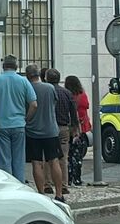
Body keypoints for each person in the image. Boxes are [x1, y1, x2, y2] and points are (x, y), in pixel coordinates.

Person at [0, 55, 37, 181]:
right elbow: (34, 104)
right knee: (19, 159)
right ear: (16, 66)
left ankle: (7, 184)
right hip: (18, 124)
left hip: (1, 125)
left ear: (3, 66)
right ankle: (19, 183)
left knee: (3, 159)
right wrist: (26, 118)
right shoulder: (23, 81)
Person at [26, 64, 65, 202]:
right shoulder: (49, 88)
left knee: (36, 162)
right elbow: (54, 103)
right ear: (38, 74)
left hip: (32, 130)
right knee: (54, 161)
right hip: (50, 130)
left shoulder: (27, 88)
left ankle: (41, 194)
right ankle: (59, 194)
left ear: (27, 75)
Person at [46, 68, 79, 197]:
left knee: (48, 157)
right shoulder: (66, 93)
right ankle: (64, 185)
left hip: (48, 127)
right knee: (63, 158)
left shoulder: (46, 92)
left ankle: (47, 184)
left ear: (47, 78)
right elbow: (73, 112)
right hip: (63, 127)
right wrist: (75, 128)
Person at [65, 75, 92, 186]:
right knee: (78, 155)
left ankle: (69, 177)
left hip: (69, 127)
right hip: (81, 128)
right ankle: (77, 178)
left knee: (69, 155)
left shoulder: (67, 95)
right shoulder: (82, 95)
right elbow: (87, 106)